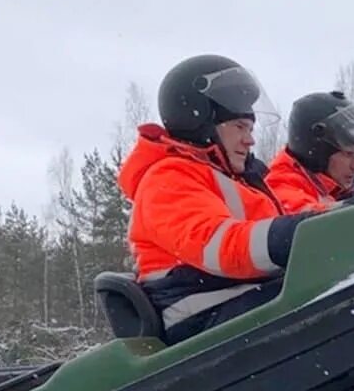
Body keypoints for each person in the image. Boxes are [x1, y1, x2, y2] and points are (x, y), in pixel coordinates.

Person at [115, 54, 320, 344]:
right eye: (239, 126)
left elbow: (287, 214)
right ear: (200, 123)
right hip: (204, 319)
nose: (250, 140)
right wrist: (306, 231)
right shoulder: (168, 179)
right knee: (337, 294)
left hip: (240, 302)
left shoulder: (236, 180)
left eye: (250, 129)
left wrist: (343, 213)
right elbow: (222, 247)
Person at [265, 90, 354, 213]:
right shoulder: (282, 189)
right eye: (348, 154)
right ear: (319, 154)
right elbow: (313, 222)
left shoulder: (335, 188)